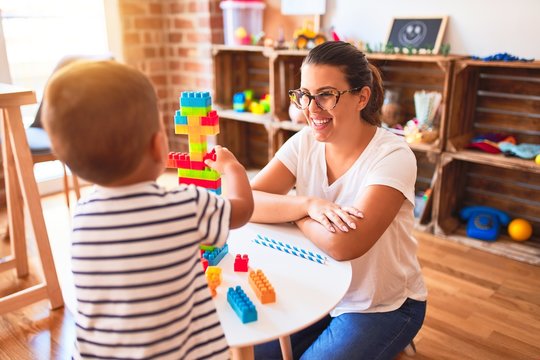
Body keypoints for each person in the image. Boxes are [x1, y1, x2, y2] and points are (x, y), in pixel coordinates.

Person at [41, 60, 254, 359]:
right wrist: (233, 169)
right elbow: (242, 210)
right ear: (158, 146)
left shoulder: (81, 218)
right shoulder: (186, 205)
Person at [251, 41, 427, 360]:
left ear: (362, 97)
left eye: (326, 94)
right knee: (253, 352)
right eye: (304, 94)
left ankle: (395, 340)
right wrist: (308, 206)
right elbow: (247, 202)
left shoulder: (393, 155)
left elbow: (345, 244)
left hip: (382, 307)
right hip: (321, 291)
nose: (311, 108)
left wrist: (293, 214)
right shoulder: (303, 142)